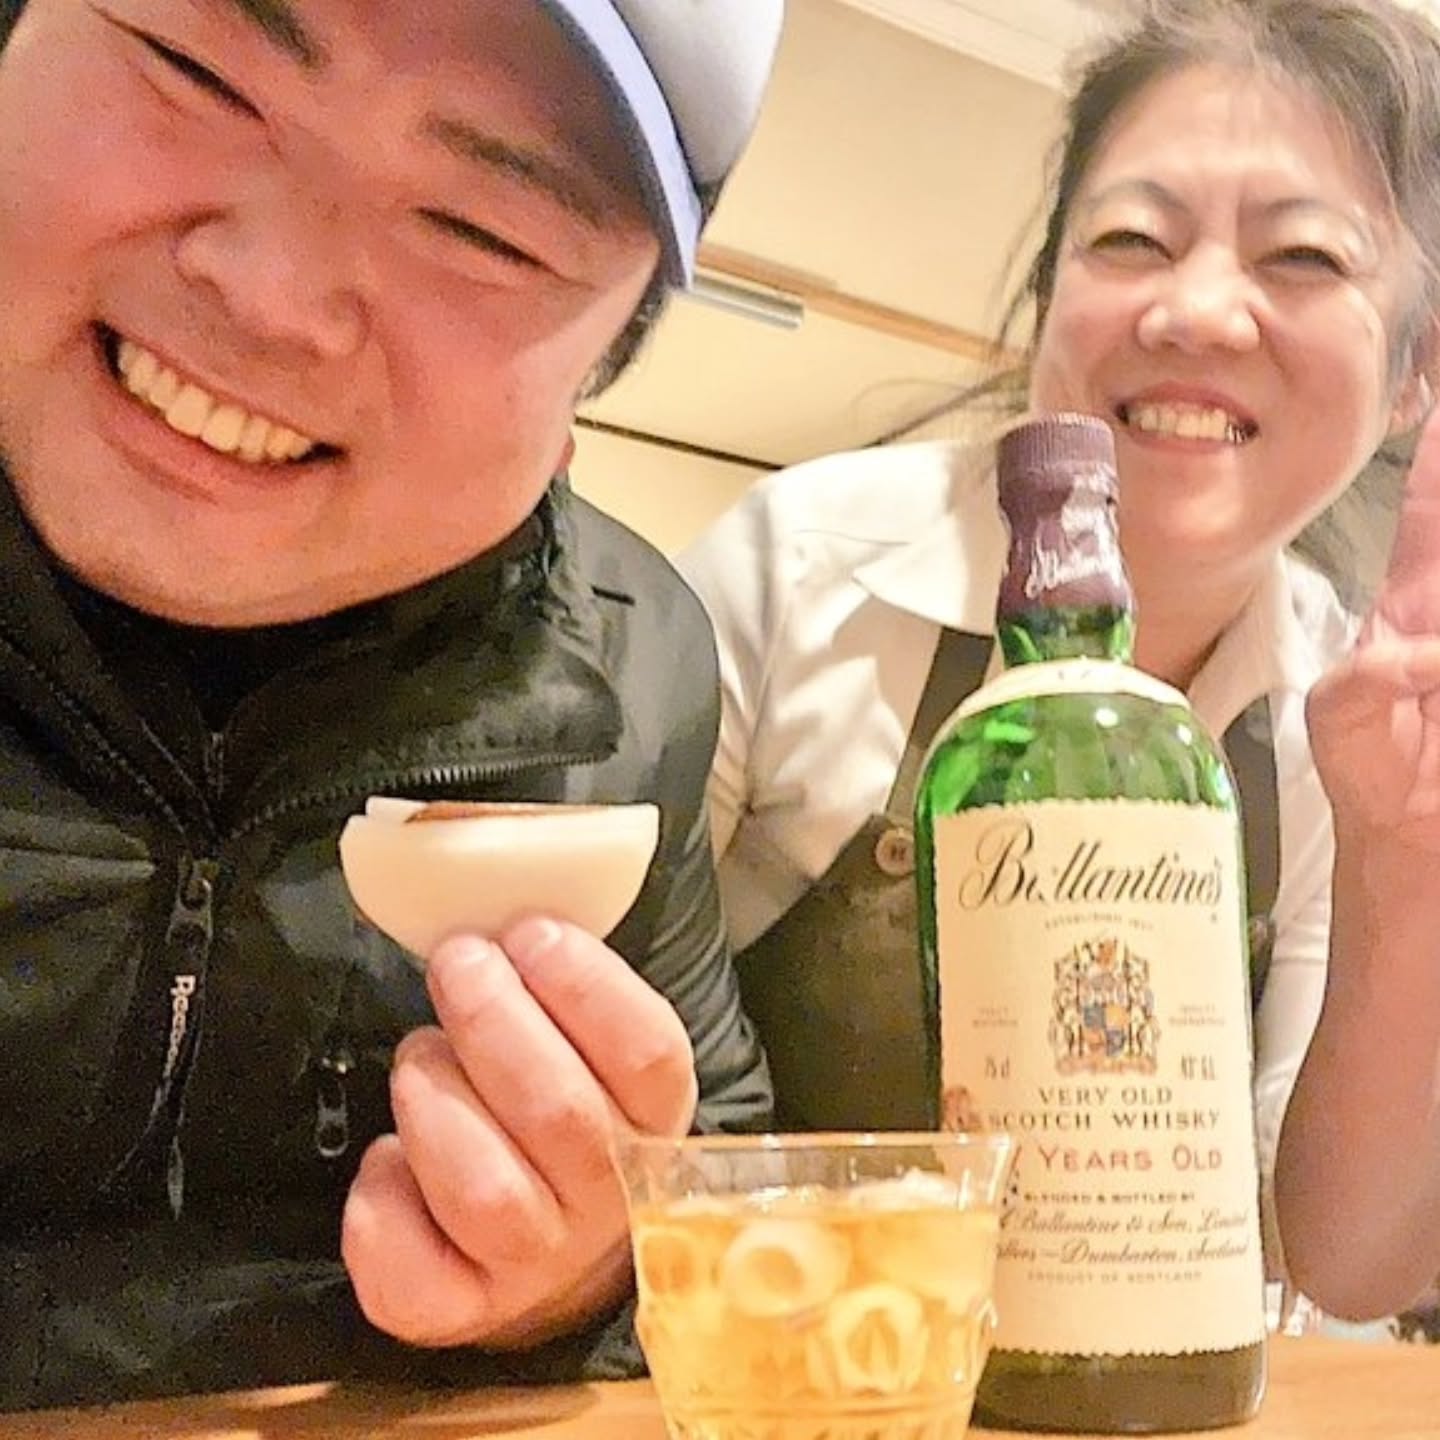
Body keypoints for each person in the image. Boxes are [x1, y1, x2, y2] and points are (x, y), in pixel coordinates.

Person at [0, 0, 782, 1411]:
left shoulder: (625, 657)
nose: (272, 293)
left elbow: (706, 1185)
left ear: (597, 377)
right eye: (195, 70)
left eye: (483, 230)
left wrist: (577, 1275)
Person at [679, 0, 1440, 1285]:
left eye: (1303, 258)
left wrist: (1403, 859)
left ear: (1414, 376)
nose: (1199, 311)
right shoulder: (798, 575)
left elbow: (1340, 1263)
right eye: (1133, 239)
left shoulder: (1341, 709)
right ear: (1047, 295)